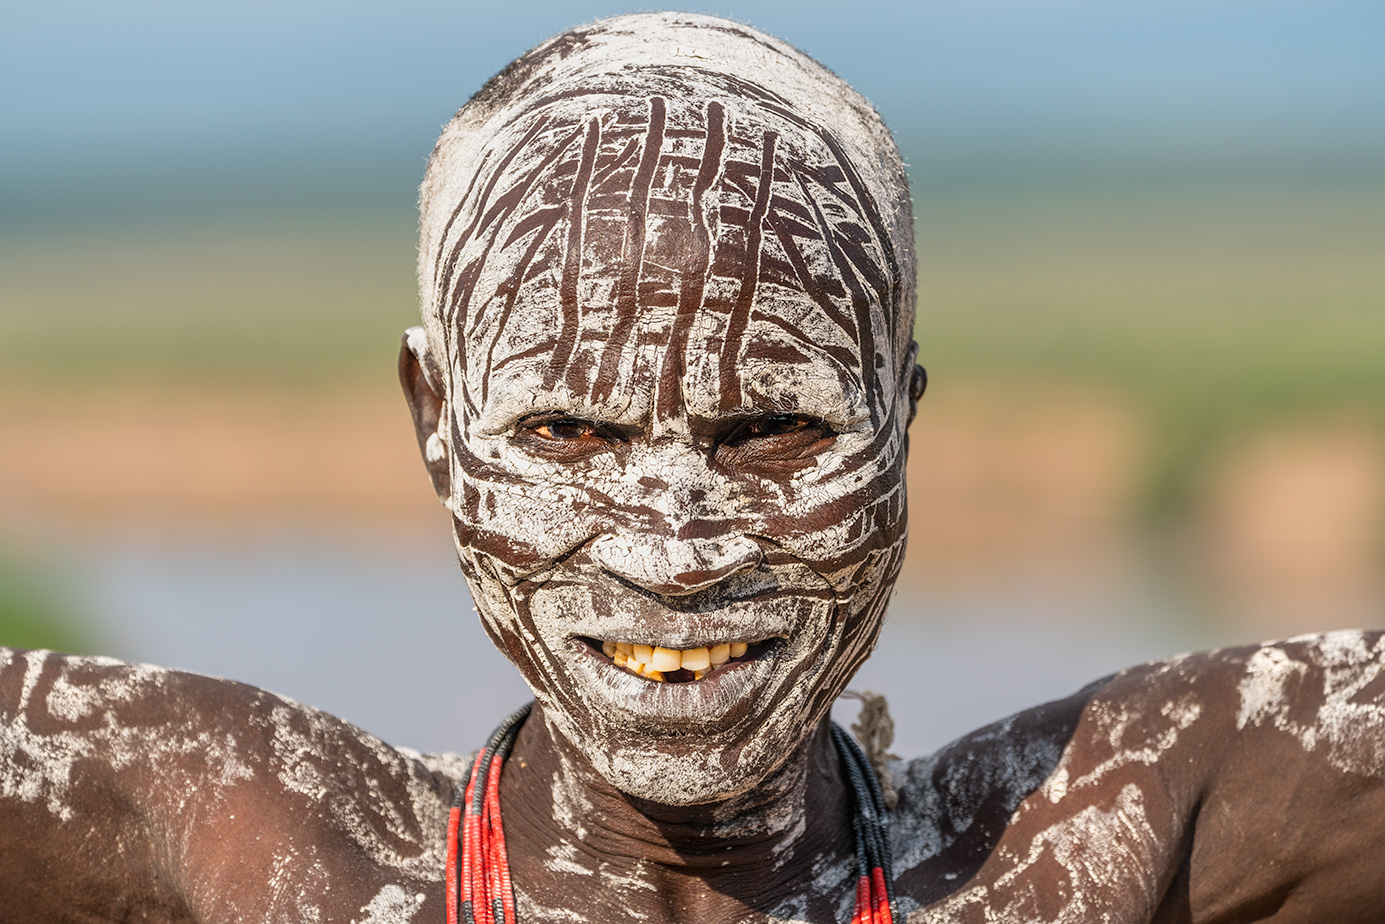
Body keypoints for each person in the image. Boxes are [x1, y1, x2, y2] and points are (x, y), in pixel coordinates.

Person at [3, 12, 1384, 923]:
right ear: (435, 422)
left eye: (772, 430)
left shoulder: (1078, 837)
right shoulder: (269, 845)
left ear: (898, 420)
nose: (672, 551)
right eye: (567, 434)